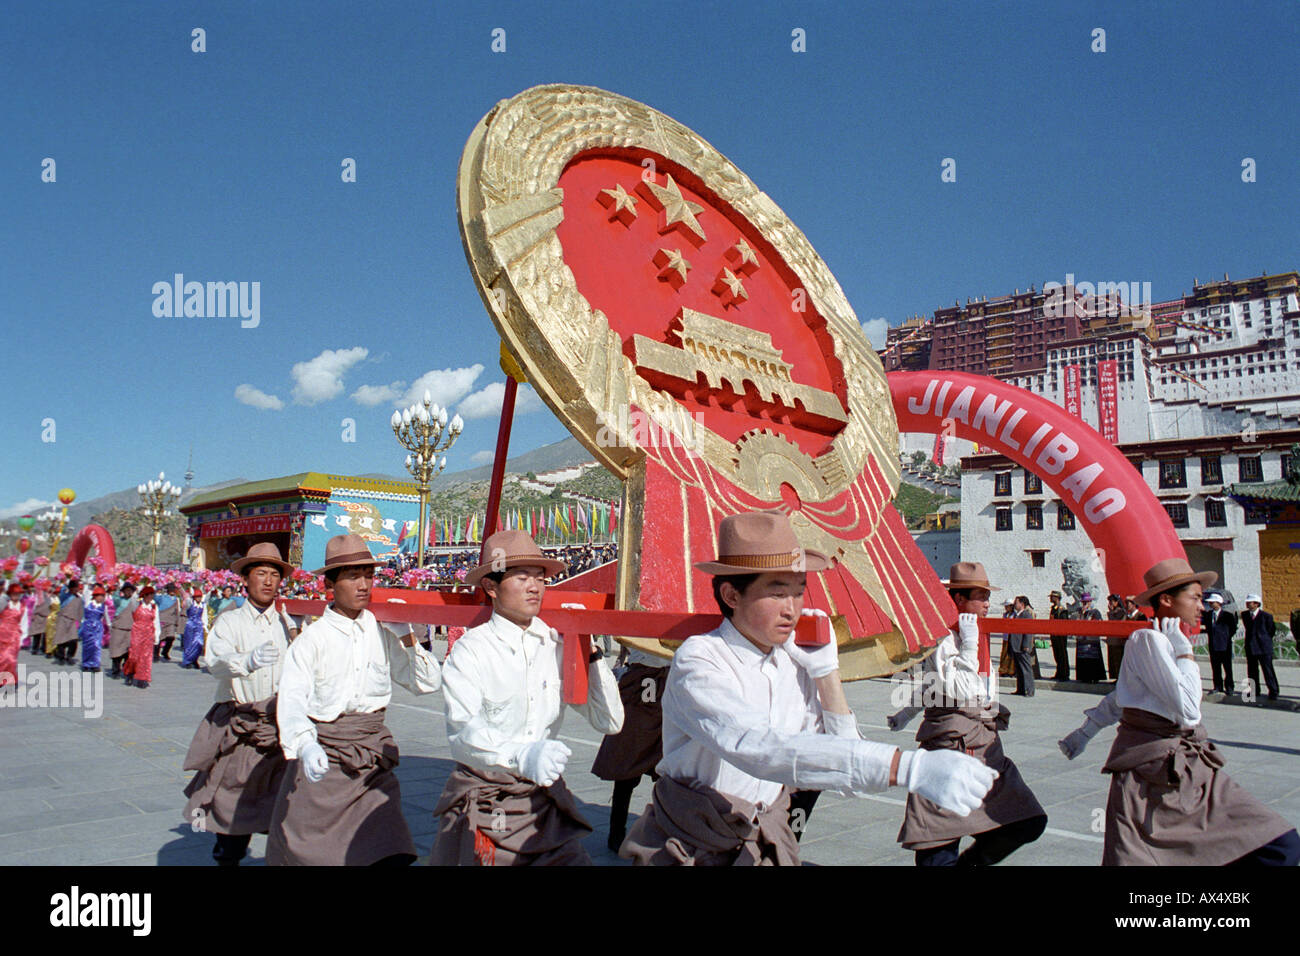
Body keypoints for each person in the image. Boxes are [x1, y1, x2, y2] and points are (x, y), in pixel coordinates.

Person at [620, 512, 998, 866]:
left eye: (799, 592)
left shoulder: (792, 661)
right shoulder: (699, 660)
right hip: (692, 841)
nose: (792, 608)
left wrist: (827, 674)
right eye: (777, 592)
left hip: (764, 836)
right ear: (732, 595)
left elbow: (839, 766)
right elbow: (757, 747)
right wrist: (907, 766)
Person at [1058, 558, 1299, 865]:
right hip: (1156, 777)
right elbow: (1188, 711)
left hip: (1192, 768)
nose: (1202, 606)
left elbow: (1122, 696)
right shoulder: (1148, 639)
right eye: (1195, 598)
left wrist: (1085, 732)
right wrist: (1185, 653)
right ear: (1167, 600)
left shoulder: (1165, 640)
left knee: (1277, 844)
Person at [431, 530, 624, 866]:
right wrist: (522, 754)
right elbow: (463, 733)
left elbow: (609, 721)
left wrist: (591, 653)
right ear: (491, 587)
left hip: (543, 799)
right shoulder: (471, 651)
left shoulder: (556, 645)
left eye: (540, 578)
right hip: (490, 798)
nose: (535, 586)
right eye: (521, 577)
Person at [269, 534, 442, 866]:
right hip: (327, 754)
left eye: (368, 575)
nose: (363, 584)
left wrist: (406, 636)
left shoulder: (382, 633)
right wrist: (304, 745)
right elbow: (291, 701)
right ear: (331, 583)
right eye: (352, 576)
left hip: (372, 756)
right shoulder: (312, 640)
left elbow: (426, 682)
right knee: (317, 853)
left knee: (386, 848)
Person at [895, 563, 1047, 865]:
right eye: (980, 596)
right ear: (959, 600)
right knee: (938, 845)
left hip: (983, 747)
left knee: (1025, 820)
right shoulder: (945, 638)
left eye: (987, 596)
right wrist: (968, 642)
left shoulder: (976, 633)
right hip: (950, 748)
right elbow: (954, 687)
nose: (987, 603)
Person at [184, 543, 296, 867]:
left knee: (284, 809)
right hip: (242, 724)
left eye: (275, 574)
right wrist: (245, 660)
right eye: (260, 573)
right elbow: (213, 661)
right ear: (246, 579)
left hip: (280, 728)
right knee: (232, 808)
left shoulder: (288, 624)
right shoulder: (230, 622)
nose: (268, 581)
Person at [591, 642, 668, 853]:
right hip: (644, 680)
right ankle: (617, 833)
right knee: (626, 771)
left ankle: (663, 831)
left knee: (667, 774)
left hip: (663, 681)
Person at [1241, 594, 1279, 701]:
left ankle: (1273, 691)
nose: (1248, 604)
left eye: (1251, 602)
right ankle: (1254, 690)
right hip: (1250, 647)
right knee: (1252, 670)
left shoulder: (1266, 616)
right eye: (1247, 602)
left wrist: (1263, 639)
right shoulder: (1245, 615)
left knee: (1267, 670)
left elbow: (1271, 630)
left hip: (1263, 647)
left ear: (1257, 604)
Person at [123, 586, 160, 689]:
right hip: (137, 633)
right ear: (144, 596)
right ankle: (130, 673)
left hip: (148, 634)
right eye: (149, 595)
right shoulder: (137, 605)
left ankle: (142, 678)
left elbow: (156, 622)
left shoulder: (154, 607)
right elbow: (133, 598)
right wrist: (139, 586)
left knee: (146, 657)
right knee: (134, 656)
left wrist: (157, 635)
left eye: (152, 595)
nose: (150, 598)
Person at [1202, 593, 1237, 696]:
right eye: (1210, 603)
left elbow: (1233, 629)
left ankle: (1229, 687)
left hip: (1225, 645)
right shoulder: (1208, 615)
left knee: (1227, 667)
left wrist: (1225, 637)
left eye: (1213, 602)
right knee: (1215, 667)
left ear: (1219, 603)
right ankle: (1217, 686)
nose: (1211, 604)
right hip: (1213, 645)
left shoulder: (1227, 615)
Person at [0, 583, 28, 689]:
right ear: (10, 594)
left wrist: (21, 639)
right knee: (1, 659)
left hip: (14, 636)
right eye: (13, 593)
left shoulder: (23, 607)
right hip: (2, 634)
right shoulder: (4, 604)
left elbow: (24, 624)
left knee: (10, 659)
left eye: (18, 593)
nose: (15, 595)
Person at [1075, 592, 1107, 683]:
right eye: (1083, 602)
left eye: (1086, 602)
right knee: (1083, 658)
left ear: (1090, 602)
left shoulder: (1095, 612)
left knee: (1092, 659)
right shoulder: (1079, 612)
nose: (1085, 604)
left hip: (1091, 639)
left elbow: (1097, 624)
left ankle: (1094, 677)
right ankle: (1084, 676)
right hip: (1082, 639)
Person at [78, 586, 111, 673]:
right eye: (100, 596)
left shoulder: (104, 607)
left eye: (103, 596)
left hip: (97, 628)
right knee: (87, 646)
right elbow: (85, 594)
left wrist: (110, 627)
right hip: (87, 626)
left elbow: (107, 618)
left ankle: (95, 664)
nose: (102, 598)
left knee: (96, 646)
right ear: (95, 596)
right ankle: (86, 663)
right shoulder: (88, 603)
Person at [108, 582, 137, 679]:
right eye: (126, 590)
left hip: (129, 630)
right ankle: (115, 671)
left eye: (130, 591)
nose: (128, 592)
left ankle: (127, 670)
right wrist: (118, 586)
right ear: (123, 592)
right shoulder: (119, 601)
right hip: (118, 629)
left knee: (128, 652)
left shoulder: (134, 602)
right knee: (116, 652)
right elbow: (115, 597)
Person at [51, 579, 83, 666]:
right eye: (74, 588)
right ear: (70, 588)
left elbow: (80, 611)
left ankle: (70, 656)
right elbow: (62, 591)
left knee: (73, 640)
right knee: (61, 639)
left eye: (77, 588)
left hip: (72, 621)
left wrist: (79, 622)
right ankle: (61, 656)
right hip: (63, 619)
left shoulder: (79, 599)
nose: (76, 590)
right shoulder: (65, 596)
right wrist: (67, 579)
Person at [1010, 595, 1036, 697]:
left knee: (1026, 669)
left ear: (1022, 604)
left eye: (1016, 603)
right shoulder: (1016, 615)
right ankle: (1020, 689)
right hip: (1016, 646)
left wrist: (1026, 645)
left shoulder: (1026, 615)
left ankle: (1029, 690)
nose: (1014, 605)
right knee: (1019, 669)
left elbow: (1028, 632)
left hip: (1022, 646)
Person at [180, 586, 207, 669]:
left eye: (200, 597)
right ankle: (188, 661)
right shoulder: (190, 604)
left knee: (199, 643)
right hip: (190, 625)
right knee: (189, 643)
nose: (199, 598)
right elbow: (186, 599)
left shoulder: (203, 605)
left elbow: (204, 616)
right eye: (197, 597)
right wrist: (184, 588)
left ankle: (195, 658)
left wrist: (205, 626)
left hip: (198, 625)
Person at [1048, 590, 1071, 681]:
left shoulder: (1062, 610)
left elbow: (1064, 624)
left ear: (1056, 598)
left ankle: (1064, 674)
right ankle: (1059, 672)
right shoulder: (1054, 608)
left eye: (1052, 597)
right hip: (1054, 635)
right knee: (1057, 654)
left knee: (1062, 654)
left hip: (1060, 636)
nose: (1050, 598)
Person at [156, 583, 182, 662]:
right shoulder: (162, 597)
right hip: (162, 620)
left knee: (171, 637)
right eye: (171, 590)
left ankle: (165, 652)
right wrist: (157, 587)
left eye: (173, 590)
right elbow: (154, 597)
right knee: (160, 638)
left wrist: (177, 622)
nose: (172, 592)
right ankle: (155, 654)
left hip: (171, 621)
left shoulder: (176, 599)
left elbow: (177, 611)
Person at [1105, 593, 1126, 679]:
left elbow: (1117, 624)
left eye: (1112, 601)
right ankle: (1115, 677)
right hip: (1111, 640)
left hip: (1118, 641)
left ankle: (1120, 678)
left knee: (1118, 660)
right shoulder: (1113, 611)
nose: (1111, 603)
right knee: (1113, 660)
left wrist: (1111, 613)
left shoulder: (1121, 612)